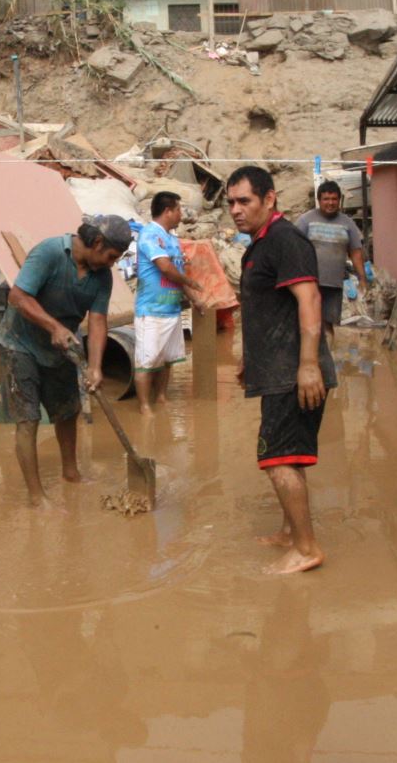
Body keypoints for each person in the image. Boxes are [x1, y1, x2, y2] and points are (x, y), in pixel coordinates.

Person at [227, 166, 337, 574]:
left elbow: (309, 302)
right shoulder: (260, 244)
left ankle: (307, 549)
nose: (236, 210)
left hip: (294, 373)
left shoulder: (284, 239)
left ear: (269, 199)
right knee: (288, 456)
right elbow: (267, 311)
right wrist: (248, 360)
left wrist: (308, 366)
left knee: (277, 460)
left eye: (245, 201)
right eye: (231, 203)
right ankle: (291, 533)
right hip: (277, 369)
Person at [0, 215, 131, 501]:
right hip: (19, 343)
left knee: (67, 412)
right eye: (111, 256)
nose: (112, 263)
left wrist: (95, 367)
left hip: (61, 348)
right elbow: (18, 297)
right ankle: (37, 497)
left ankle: (70, 474)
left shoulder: (102, 277)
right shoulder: (50, 252)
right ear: (96, 242)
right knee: (28, 418)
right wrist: (54, 326)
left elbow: (97, 321)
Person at [132, 192, 205, 415]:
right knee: (147, 360)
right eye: (179, 210)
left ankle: (161, 398)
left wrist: (194, 299)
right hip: (151, 309)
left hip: (171, 309)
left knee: (166, 359)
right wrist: (190, 282)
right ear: (168, 211)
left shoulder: (172, 239)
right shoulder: (149, 235)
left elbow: (177, 273)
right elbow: (165, 268)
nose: (181, 214)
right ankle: (145, 407)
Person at [294, 180, 370, 337]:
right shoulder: (305, 221)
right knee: (307, 323)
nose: (330, 203)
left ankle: (328, 356)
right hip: (309, 283)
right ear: (319, 200)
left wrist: (362, 278)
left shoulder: (348, 223)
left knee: (328, 324)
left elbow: (355, 252)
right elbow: (293, 249)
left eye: (334, 199)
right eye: (326, 199)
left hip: (334, 285)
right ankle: (307, 357)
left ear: (339, 200)